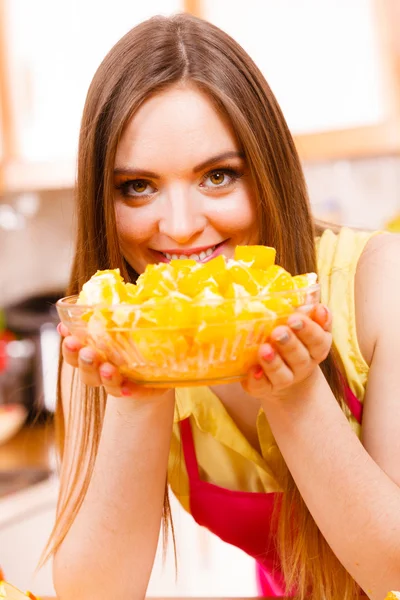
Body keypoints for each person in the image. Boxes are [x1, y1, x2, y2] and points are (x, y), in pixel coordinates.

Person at [48, 13, 400, 600]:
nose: (181, 228)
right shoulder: (103, 339)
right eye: (137, 186)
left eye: (218, 176)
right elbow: (95, 593)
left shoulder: (382, 280)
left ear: (268, 172)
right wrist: (137, 395)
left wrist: (295, 392)